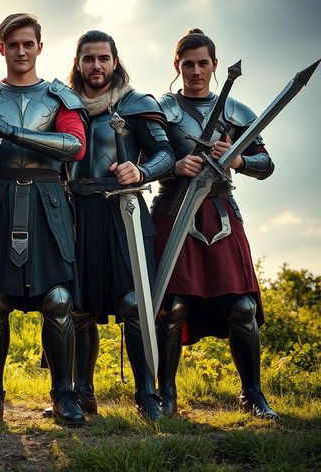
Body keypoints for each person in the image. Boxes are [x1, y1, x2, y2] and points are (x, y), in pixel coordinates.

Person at [0, 12, 88, 425]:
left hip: (48, 201)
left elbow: (73, 146)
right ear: (2, 49)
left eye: (27, 43)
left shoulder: (59, 97)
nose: (20, 51)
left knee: (58, 300)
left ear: (39, 47)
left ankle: (64, 395)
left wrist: (12, 133)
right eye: (12, 44)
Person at [153, 28, 278, 419]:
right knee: (171, 306)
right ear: (178, 66)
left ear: (214, 66)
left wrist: (238, 159)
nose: (195, 71)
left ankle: (252, 395)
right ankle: (166, 394)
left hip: (221, 210)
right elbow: (146, 158)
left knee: (241, 307)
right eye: (187, 64)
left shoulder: (235, 112)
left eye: (202, 63)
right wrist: (174, 165)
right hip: (173, 210)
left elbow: (266, 164)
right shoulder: (161, 110)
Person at [66, 30, 174, 420]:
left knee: (134, 302)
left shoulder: (136, 104)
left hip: (124, 210)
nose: (96, 66)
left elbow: (166, 153)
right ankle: (81, 393)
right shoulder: (63, 104)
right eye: (89, 58)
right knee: (77, 308)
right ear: (78, 63)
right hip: (75, 210)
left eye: (103, 58)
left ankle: (147, 395)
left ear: (115, 61)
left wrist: (141, 170)